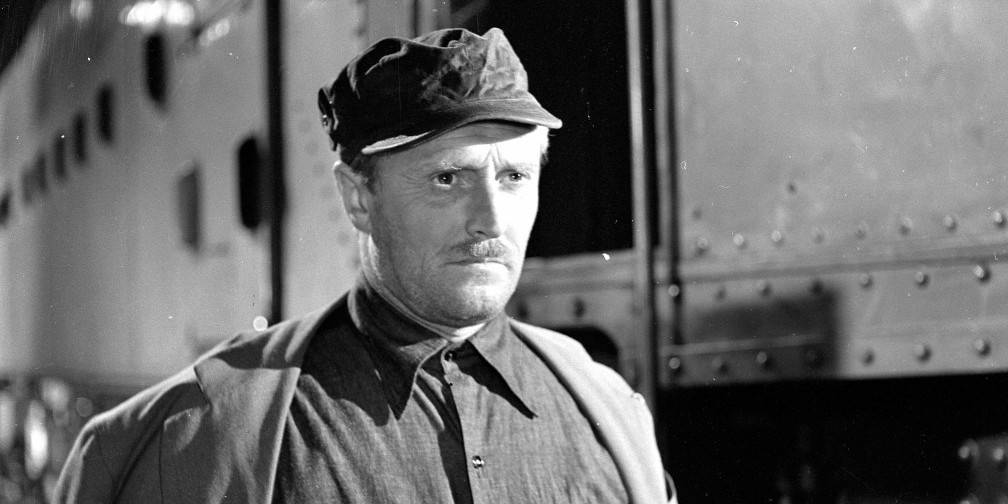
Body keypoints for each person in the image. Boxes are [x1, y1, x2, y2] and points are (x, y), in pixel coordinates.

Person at [55, 27, 675, 503]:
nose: (491, 219)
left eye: (514, 176)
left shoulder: (609, 414)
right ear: (358, 198)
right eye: (447, 178)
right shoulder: (203, 436)